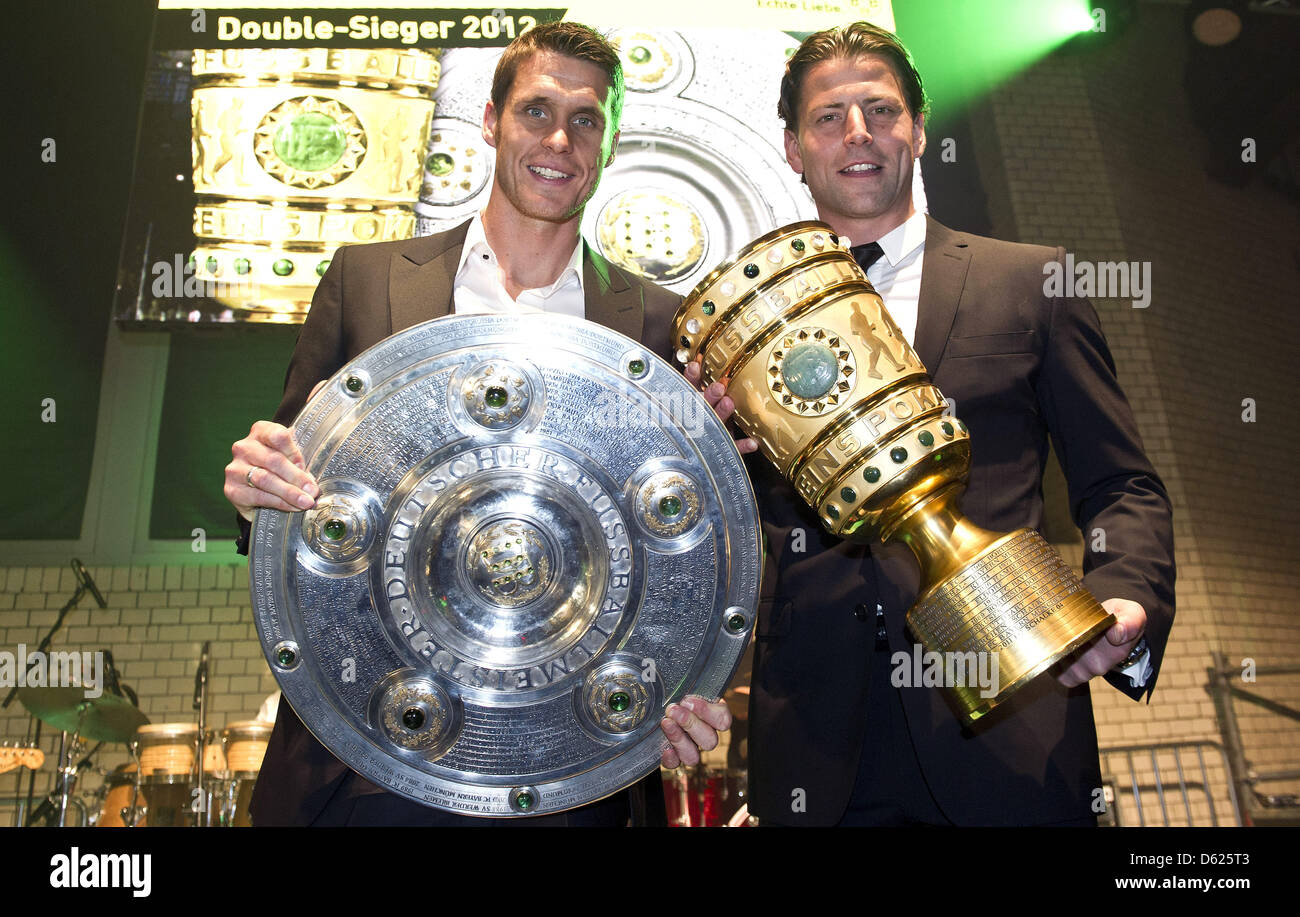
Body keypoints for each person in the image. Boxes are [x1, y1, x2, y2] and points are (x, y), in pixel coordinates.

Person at [223, 22, 732, 826]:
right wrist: (259, 487)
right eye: (535, 111)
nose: (559, 139)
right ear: (491, 123)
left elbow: (694, 565)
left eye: (587, 119)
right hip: (368, 764)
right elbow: (283, 503)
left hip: (573, 778)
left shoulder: (663, 326)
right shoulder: (367, 279)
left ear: (610, 140)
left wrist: (689, 685)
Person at [731, 21, 1176, 826]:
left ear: (919, 130)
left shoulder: (1031, 281)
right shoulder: (743, 331)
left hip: (1012, 718)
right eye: (829, 117)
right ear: (793, 148)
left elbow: (1121, 482)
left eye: (882, 110)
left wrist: (1125, 593)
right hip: (817, 744)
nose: (857, 133)